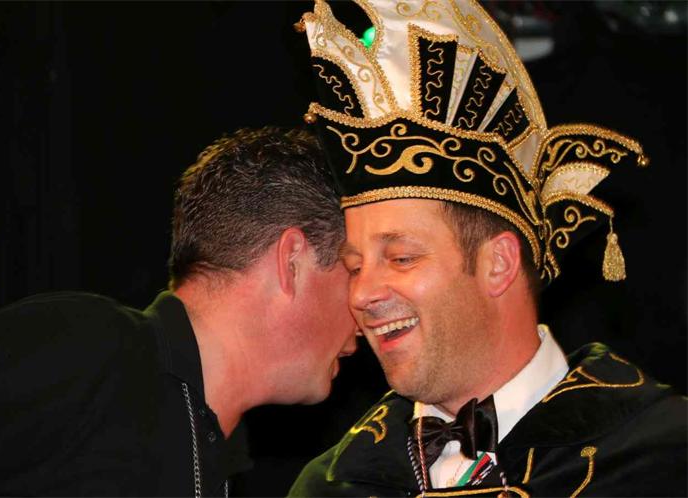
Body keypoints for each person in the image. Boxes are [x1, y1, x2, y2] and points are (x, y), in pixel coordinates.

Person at [289, 1, 687, 496]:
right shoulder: (331, 485)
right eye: (354, 267)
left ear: (498, 263)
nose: (362, 294)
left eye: (401, 258)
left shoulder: (659, 459)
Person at [0, 127, 358, 497]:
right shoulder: (87, 347)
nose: (364, 308)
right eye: (354, 270)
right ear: (292, 261)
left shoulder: (215, 456)